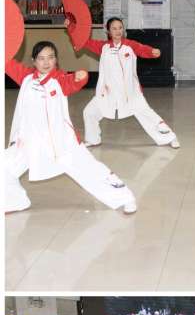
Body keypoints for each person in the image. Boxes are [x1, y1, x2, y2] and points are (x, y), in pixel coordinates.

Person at [5, 41, 137, 214]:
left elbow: (72, 82)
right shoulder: (26, 78)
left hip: (62, 143)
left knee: (91, 170)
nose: (46, 62)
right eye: (41, 58)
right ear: (33, 61)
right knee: (4, 166)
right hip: (30, 143)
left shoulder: (59, 79)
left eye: (51, 57)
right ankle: (15, 201)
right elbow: (6, 61)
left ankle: (125, 198)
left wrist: (80, 77)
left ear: (56, 60)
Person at [76, 17, 177, 148]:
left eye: (120, 28)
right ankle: (93, 139)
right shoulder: (103, 47)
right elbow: (84, 42)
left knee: (148, 115)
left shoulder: (130, 45)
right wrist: (71, 27)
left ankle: (170, 138)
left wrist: (152, 52)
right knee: (89, 112)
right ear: (108, 31)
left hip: (131, 93)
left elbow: (142, 49)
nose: (118, 31)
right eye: (114, 28)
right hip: (107, 94)